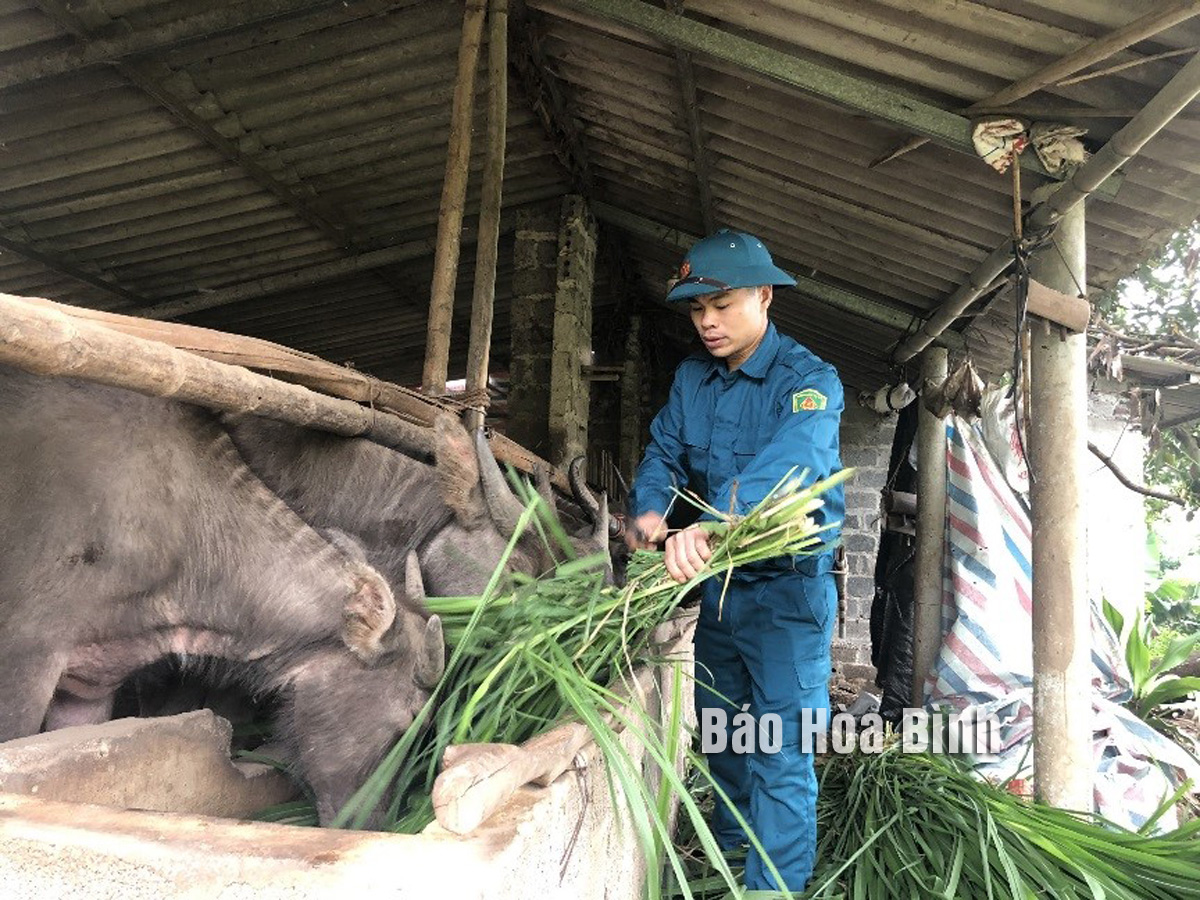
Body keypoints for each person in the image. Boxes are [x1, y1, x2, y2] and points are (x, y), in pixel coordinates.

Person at [625, 229, 844, 897]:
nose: (708, 322)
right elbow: (664, 453)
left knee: (779, 747)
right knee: (722, 734)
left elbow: (793, 465)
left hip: (787, 595)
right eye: (697, 309)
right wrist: (651, 512)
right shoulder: (693, 380)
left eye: (722, 305)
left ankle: (772, 887)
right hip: (720, 592)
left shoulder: (809, 382)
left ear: (765, 296)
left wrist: (714, 524)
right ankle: (725, 858)